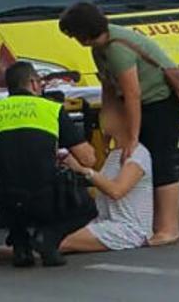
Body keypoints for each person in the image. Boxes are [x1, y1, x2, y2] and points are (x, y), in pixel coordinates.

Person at [59, 2, 179, 246]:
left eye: (73, 34)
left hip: (163, 103)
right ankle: (153, 223)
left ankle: (169, 228)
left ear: (83, 32)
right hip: (145, 103)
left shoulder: (117, 49)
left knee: (161, 160)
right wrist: (107, 125)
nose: (74, 39)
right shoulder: (99, 49)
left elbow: (132, 94)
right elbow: (108, 88)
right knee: (148, 160)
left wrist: (132, 138)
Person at [0, 61, 97, 267]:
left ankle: (21, 245)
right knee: (87, 207)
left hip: (4, 200)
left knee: (5, 181)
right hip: (45, 197)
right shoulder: (50, 108)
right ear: (33, 83)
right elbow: (88, 159)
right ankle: (48, 238)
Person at [59, 104, 153, 253]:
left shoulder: (137, 154)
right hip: (105, 222)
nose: (103, 118)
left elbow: (116, 191)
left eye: (107, 114)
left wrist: (84, 170)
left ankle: (13, 252)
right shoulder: (114, 153)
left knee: (58, 242)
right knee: (58, 234)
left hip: (128, 229)